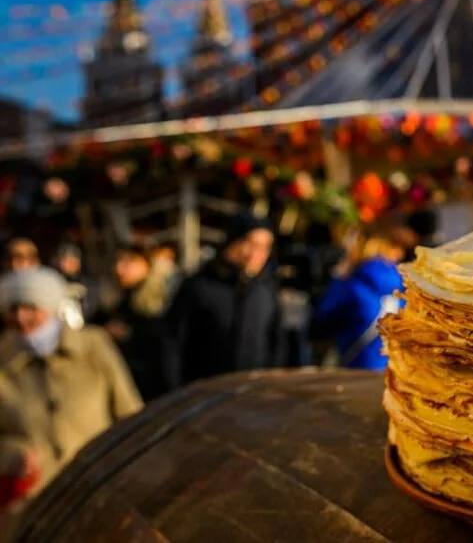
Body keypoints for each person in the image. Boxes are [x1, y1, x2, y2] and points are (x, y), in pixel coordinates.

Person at [0, 268, 142, 518]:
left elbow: (129, 412)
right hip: (31, 502)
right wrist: (13, 456)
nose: (21, 317)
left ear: (50, 306)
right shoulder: (4, 361)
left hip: (98, 487)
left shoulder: (93, 345)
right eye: (13, 309)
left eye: (31, 307)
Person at [163, 213, 283, 388]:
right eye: (251, 244)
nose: (257, 254)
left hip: (254, 397)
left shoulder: (266, 290)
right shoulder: (198, 286)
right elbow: (172, 344)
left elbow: (276, 345)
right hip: (204, 395)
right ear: (232, 243)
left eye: (265, 247)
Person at [310, 234, 405, 370]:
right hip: (393, 374)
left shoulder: (353, 287)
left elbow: (323, 318)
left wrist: (337, 278)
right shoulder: (403, 293)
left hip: (357, 370)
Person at [94, 245, 174, 400]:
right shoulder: (115, 302)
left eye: (128, 262)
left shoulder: (160, 302)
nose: (119, 269)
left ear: (146, 264)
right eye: (118, 262)